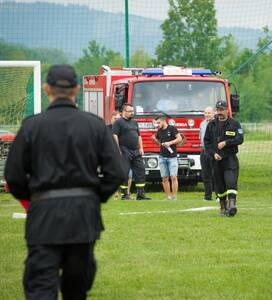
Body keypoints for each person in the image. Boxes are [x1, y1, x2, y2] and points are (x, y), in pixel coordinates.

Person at [4, 64, 125, 300]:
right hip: (83, 215)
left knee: (41, 286)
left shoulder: (31, 126)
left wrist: (35, 199)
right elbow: (117, 172)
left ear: (47, 89)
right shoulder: (94, 125)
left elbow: (14, 177)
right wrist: (93, 196)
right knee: (77, 286)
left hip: (43, 215)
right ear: (76, 90)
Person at [204, 101, 244, 217]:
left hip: (230, 159)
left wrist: (226, 142)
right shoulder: (211, 125)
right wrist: (213, 154)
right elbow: (207, 143)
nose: (220, 112)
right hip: (216, 161)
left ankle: (232, 205)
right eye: (218, 110)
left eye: (222, 110)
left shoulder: (234, 124)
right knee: (219, 185)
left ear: (227, 110)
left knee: (231, 182)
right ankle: (223, 206)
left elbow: (240, 139)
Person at [113, 103, 151, 200]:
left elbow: (139, 136)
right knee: (125, 172)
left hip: (136, 150)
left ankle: (140, 195)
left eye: (132, 111)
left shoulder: (134, 122)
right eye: (130, 111)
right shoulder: (118, 122)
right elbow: (115, 136)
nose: (132, 113)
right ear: (124, 112)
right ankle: (125, 195)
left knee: (141, 171)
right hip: (124, 150)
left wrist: (141, 148)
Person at [151, 115, 182, 200]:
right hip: (162, 157)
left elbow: (180, 139)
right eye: (156, 123)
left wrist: (170, 143)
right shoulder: (159, 131)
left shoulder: (172, 128)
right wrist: (155, 139)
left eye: (158, 123)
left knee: (174, 177)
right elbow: (159, 144)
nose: (157, 125)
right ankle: (168, 196)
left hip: (172, 157)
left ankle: (174, 197)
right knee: (164, 178)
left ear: (164, 121)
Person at [199, 106, 215, 201]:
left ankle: (219, 195)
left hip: (213, 152)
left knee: (215, 174)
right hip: (204, 151)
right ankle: (207, 196)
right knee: (205, 175)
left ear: (214, 113)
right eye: (205, 113)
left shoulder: (216, 124)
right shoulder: (202, 124)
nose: (207, 115)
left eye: (209, 113)